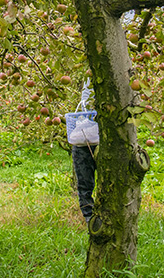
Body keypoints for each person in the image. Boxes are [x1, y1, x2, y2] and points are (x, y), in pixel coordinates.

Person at [71, 78, 98, 223]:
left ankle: (98, 217)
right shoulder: (90, 75)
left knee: (111, 182)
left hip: (103, 136)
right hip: (86, 136)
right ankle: (91, 221)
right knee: (84, 183)